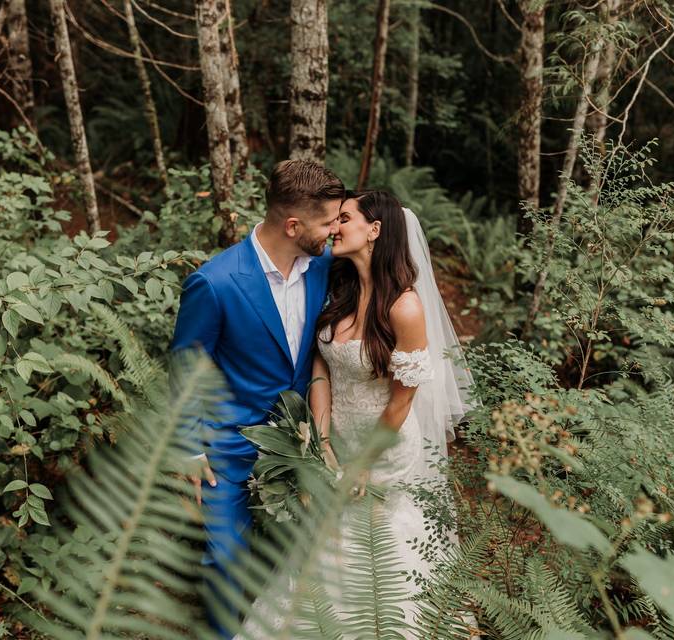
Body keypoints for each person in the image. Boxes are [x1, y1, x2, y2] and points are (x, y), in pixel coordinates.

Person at [236, 190, 477, 639]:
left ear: (375, 230)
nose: (334, 227)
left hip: (381, 451)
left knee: (376, 557)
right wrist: (323, 442)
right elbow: (322, 365)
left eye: (344, 218)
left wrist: (362, 465)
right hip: (334, 441)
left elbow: (402, 401)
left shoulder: (404, 308)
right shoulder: (340, 289)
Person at [170, 159, 344, 638]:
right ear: (293, 225)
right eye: (328, 221)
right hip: (228, 447)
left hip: (303, 443)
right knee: (224, 558)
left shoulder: (326, 268)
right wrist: (188, 448)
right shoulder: (216, 281)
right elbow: (187, 366)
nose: (335, 228)